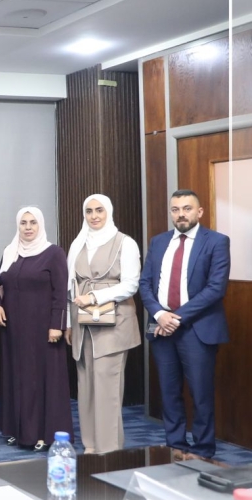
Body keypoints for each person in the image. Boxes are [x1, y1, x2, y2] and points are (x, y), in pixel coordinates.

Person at [138, 189, 230, 459]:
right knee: (169, 392)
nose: (181, 214)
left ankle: (202, 450)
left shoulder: (216, 241)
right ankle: (175, 445)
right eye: (175, 209)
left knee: (201, 393)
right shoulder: (158, 242)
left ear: (199, 212)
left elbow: (215, 288)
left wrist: (175, 318)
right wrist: (159, 314)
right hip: (161, 327)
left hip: (197, 329)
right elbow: (145, 283)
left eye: (187, 209)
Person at [64, 194, 141, 455]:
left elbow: (131, 284)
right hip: (83, 324)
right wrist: (68, 323)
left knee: (108, 388)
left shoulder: (125, 243)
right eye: (89, 211)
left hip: (114, 323)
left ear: (109, 211)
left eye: (99, 210)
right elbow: (70, 288)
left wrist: (96, 296)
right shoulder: (78, 244)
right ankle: (91, 445)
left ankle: (108, 449)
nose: (94, 216)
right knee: (86, 387)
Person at [0, 207, 71, 452]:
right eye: (23, 223)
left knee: (42, 380)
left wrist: (57, 325)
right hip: (14, 331)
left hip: (42, 331)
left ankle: (44, 434)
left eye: (33, 222)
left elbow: (61, 293)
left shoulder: (53, 253)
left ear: (40, 225)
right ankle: (17, 430)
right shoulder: (10, 251)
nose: (27, 227)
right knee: (17, 379)